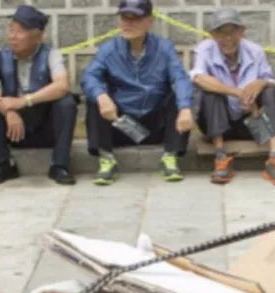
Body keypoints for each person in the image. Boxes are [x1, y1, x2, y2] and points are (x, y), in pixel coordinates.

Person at [81, 0, 194, 186]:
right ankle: (106, 158)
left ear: (149, 21)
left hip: (154, 123)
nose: (128, 23)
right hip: (121, 123)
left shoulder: (164, 48)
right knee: (95, 98)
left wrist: (185, 108)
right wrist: (102, 97)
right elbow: (89, 77)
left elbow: (180, 77)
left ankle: (170, 156)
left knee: (179, 98)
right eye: (124, 18)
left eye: (135, 19)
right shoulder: (109, 49)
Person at [0, 5, 79, 186]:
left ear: (38, 36)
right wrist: (5, 107)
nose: (12, 36)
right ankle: (3, 164)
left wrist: (23, 101)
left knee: (67, 102)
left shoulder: (51, 55)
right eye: (11, 29)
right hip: (13, 130)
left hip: (45, 128)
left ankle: (59, 165)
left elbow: (62, 85)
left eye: (20, 31)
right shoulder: (2, 56)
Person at [191, 8, 275, 185]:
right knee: (211, 92)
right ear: (213, 35)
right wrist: (237, 92)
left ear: (242, 32)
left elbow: (271, 80)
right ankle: (220, 157)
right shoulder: (204, 50)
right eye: (221, 33)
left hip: (251, 124)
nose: (228, 38)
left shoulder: (254, 51)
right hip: (217, 125)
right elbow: (199, 78)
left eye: (232, 32)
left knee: (269, 90)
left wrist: (260, 84)